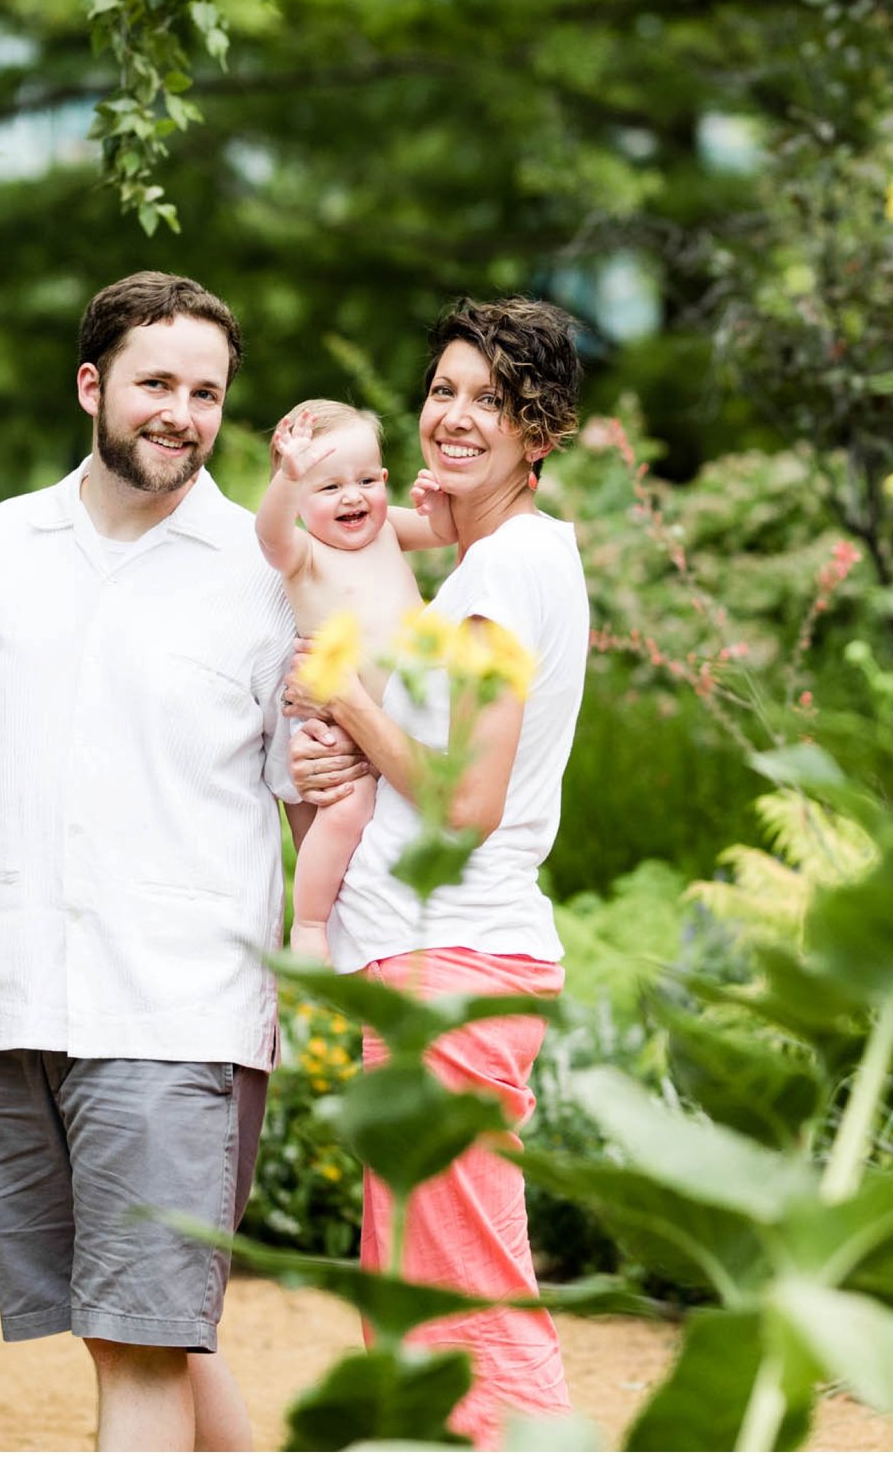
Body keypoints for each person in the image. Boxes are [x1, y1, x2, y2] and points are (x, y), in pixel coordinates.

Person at [0, 271, 307, 1453]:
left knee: (144, 1341)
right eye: (157, 382)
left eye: (207, 391)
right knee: (126, 1327)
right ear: (91, 385)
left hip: (180, 1008)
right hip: (25, 1002)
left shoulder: (269, 571)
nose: (182, 411)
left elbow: (318, 807)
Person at [286, 296, 588, 1449]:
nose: (457, 417)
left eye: (492, 402)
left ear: (538, 430)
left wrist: (350, 697)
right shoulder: (516, 551)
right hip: (453, 963)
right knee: (424, 1298)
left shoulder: (497, 577)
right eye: (445, 391)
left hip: (446, 970)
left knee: (463, 1309)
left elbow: (468, 799)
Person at [255, 399, 455, 961]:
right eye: (328, 487)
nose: (352, 496)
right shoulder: (304, 554)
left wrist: (438, 505)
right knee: (348, 808)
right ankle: (312, 924)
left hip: (405, 714)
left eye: (366, 480)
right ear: (297, 500)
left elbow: (444, 531)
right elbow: (267, 535)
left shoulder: (387, 528)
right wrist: (288, 480)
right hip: (338, 715)